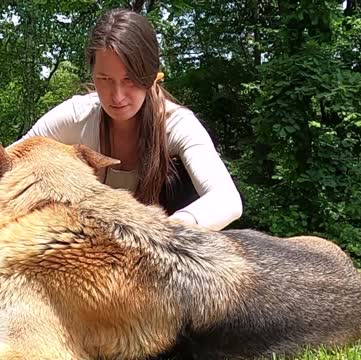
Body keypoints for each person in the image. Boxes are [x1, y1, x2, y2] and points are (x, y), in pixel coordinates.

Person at [12, 8, 242, 231]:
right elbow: (5, 164)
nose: (117, 96)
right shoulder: (76, 115)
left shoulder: (177, 124)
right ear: (92, 73)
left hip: (164, 251)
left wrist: (169, 230)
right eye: (104, 79)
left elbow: (227, 200)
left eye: (130, 79)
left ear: (152, 75)